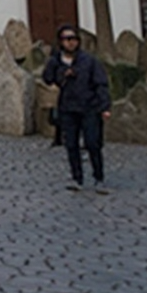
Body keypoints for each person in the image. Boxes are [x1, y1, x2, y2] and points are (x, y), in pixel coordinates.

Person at [42, 25, 111, 193]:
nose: (70, 42)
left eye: (73, 38)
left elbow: (101, 84)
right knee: (71, 145)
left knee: (93, 143)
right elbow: (48, 79)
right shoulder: (56, 61)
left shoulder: (89, 61)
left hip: (90, 107)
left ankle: (99, 177)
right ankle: (77, 178)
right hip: (68, 107)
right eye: (66, 39)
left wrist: (105, 106)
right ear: (60, 42)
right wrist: (57, 67)